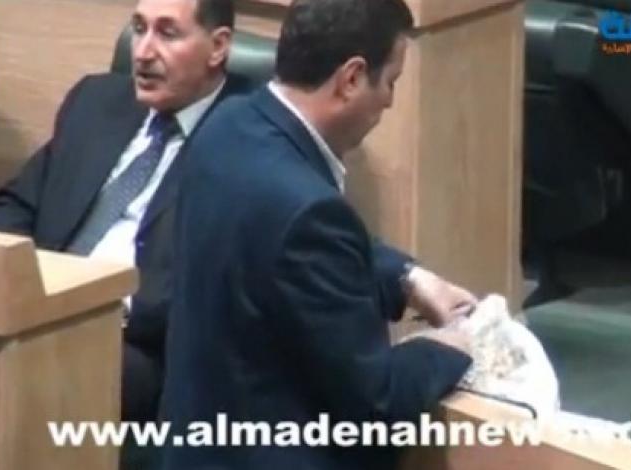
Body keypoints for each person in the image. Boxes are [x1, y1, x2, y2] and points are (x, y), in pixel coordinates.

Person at [161, 0, 477, 468]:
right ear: (351, 79)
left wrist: (408, 277)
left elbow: (289, 253)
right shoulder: (308, 211)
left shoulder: (226, 127)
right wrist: (451, 347)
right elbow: (377, 405)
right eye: (390, 82)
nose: (389, 101)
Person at [0, 0, 247, 422]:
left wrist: (93, 309)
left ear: (218, 47)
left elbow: (220, 290)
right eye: (139, 29)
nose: (143, 52)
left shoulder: (247, 144)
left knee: (26, 382)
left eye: (167, 33)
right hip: (37, 309)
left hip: (138, 347)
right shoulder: (95, 102)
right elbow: (16, 206)